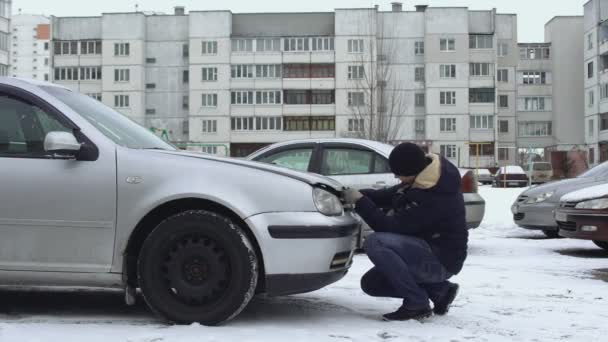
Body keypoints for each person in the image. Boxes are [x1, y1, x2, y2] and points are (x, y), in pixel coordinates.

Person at [344, 142, 468, 321]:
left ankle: (417, 304)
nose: (396, 176)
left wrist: (361, 202)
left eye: (399, 173)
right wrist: (355, 194)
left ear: (412, 171)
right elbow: (388, 195)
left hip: (442, 259)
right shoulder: (423, 178)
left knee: (376, 242)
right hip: (427, 251)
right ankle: (440, 291)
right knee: (371, 284)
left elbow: (390, 227)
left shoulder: (434, 194)